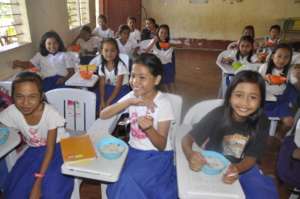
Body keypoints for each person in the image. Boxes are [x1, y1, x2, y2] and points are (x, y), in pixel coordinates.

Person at [182, 70, 278, 199]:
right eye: (239, 95)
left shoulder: (262, 121)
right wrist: (190, 155)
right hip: (212, 163)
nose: (245, 103)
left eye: (253, 97)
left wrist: (236, 168)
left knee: (261, 194)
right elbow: (187, 138)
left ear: (261, 100)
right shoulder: (218, 114)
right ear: (229, 96)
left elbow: (251, 158)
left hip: (244, 166)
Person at [100, 53, 178, 199]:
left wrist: (148, 129)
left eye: (142, 77)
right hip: (133, 152)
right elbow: (103, 114)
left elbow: (161, 145)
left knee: (127, 181)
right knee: (116, 177)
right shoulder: (132, 96)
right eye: (133, 75)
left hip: (156, 156)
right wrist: (129, 102)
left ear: (157, 79)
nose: (135, 81)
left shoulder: (163, 104)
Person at [0, 72, 74, 199]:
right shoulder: (12, 111)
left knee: (52, 192)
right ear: (12, 97)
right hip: (34, 150)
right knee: (15, 192)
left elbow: (50, 150)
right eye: (19, 96)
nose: (25, 103)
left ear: (41, 96)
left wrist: (38, 183)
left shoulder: (50, 114)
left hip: (58, 149)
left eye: (32, 96)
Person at [258, 43, 299, 139]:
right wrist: (263, 78)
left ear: (290, 59)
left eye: (286, 57)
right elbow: (255, 82)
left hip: (281, 101)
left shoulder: (289, 71)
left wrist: (297, 78)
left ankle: (280, 134)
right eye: (279, 56)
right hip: (264, 99)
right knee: (255, 118)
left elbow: (297, 87)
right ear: (273, 56)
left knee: (289, 122)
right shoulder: (264, 67)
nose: (282, 60)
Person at [97, 38, 130, 111]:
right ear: (101, 52)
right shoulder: (101, 67)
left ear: (117, 51)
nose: (109, 53)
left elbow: (118, 88)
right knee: (96, 99)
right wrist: (102, 101)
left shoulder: (120, 66)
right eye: (106, 50)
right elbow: (102, 85)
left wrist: (108, 102)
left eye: (112, 50)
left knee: (114, 107)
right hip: (109, 87)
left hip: (122, 89)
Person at [145, 24, 175, 92]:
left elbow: (181, 45)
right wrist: (153, 42)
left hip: (167, 66)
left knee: (170, 83)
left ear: (168, 34)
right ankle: (167, 96)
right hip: (158, 66)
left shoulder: (169, 43)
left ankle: (173, 96)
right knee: (163, 85)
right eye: (161, 32)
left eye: (165, 33)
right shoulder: (154, 42)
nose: (163, 34)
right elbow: (146, 51)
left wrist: (171, 45)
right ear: (158, 33)